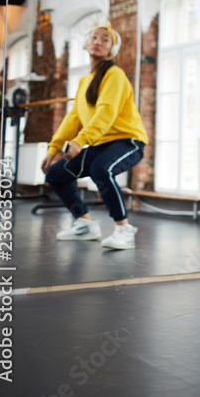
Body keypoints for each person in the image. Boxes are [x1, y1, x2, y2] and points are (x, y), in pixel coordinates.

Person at [41, 23, 148, 250]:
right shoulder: (85, 81)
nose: (98, 41)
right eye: (94, 37)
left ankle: (124, 229)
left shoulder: (114, 75)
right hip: (101, 143)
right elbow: (73, 118)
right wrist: (54, 148)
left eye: (105, 39)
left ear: (112, 49)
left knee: (101, 169)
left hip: (128, 141)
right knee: (56, 174)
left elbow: (105, 113)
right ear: (86, 43)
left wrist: (80, 141)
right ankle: (85, 223)